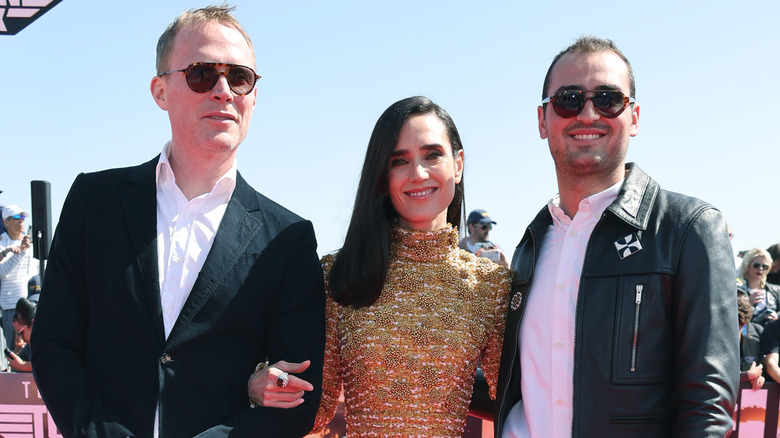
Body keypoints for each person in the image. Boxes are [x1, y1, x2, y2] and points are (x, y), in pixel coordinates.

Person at [30, 5, 325, 438]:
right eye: (202, 73)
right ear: (160, 91)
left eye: (239, 77)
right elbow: (54, 345)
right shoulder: (94, 202)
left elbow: (296, 396)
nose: (223, 90)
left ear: (254, 97)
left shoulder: (288, 239)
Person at [495, 36, 738, 437]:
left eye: (608, 99)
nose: (587, 113)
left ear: (635, 117)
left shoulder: (689, 228)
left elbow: (708, 408)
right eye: (568, 100)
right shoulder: (530, 244)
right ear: (543, 120)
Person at [248, 96, 512, 437]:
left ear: (458, 165)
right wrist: (258, 387)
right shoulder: (338, 274)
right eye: (399, 161)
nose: (418, 174)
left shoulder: (491, 285)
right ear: (382, 176)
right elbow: (317, 408)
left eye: (432, 155)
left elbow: (516, 402)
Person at [0, 205, 36, 354]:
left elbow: (34, 273)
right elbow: (1, 272)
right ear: (5, 222)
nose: (21, 221)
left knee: (31, 350)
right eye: (16, 217)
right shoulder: (2, 244)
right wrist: (20, 252)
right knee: (12, 351)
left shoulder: (29, 244)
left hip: (29, 304)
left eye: (23, 217)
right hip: (10, 307)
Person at [739, 247, 780, 327]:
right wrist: (747, 304)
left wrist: (777, 316)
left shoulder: (776, 290)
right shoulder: (738, 290)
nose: (760, 269)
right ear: (747, 265)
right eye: (756, 265)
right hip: (749, 336)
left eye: (765, 266)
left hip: (770, 335)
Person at [738, 294, 765, 390]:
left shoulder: (754, 345)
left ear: (744, 323)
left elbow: (757, 373)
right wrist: (747, 375)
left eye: (739, 323)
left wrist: (759, 378)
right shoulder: (712, 346)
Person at [5, 297, 35, 373]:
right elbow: (20, 357)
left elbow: (45, 364)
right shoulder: (28, 348)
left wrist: (22, 366)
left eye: (21, 332)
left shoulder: (46, 341)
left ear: (32, 324)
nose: (21, 338)